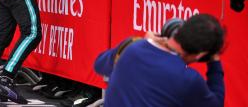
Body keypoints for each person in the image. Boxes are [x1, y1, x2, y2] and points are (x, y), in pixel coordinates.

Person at [95, 14, 225, 107]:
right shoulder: (188, 79)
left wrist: (141, 42)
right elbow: (216, 103)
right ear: (201, 54)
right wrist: (214, 62)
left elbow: (100, 65)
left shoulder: (132, 46)